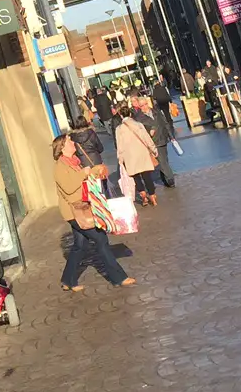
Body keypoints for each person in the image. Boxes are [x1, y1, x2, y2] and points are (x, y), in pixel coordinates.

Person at [52, 133, 133, 290]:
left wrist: (96, 171)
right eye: (69, 141)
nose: (73, 142)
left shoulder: (74, 162)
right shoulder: (60, 167)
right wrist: (85, 173)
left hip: (83, 207)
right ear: (62, 148)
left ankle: (68, 280)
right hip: (74, 212)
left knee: (79, 246)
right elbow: (69, 188)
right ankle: (118, 277)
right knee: (101, 239)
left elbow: (85, 179)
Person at [114, 105, 161, 206]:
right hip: (142, 153)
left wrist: (120, 159)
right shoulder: (138, 124)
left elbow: (119, 145)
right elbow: (146, 138)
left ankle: (143, 196)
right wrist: (153, 149)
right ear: (130, 114)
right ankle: (153, 196)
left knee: (136, 177)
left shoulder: (119, 129)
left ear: (121, 116)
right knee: (146, 175)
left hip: (129, 156)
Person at [134, 92, 176, 186]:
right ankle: (170, 180)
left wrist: (171, 136)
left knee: (164, 160)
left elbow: (165, 123)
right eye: (142, 106)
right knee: (163, 161)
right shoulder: (139, 118)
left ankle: (165, 179)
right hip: (153, 143)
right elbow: (140, 134)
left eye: (145, 104)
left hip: (163, 139)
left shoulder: (156, 111)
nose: (145, 107)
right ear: (139, 107)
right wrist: (149, 133)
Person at [90, 104, 121, 195]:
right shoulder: (91, 133)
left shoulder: (73, 138)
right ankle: (105, 193)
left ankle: (96, 194)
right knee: (101, 176)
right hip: (95, 159)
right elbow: (100, 147)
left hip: (84, 163)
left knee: (91, 180)